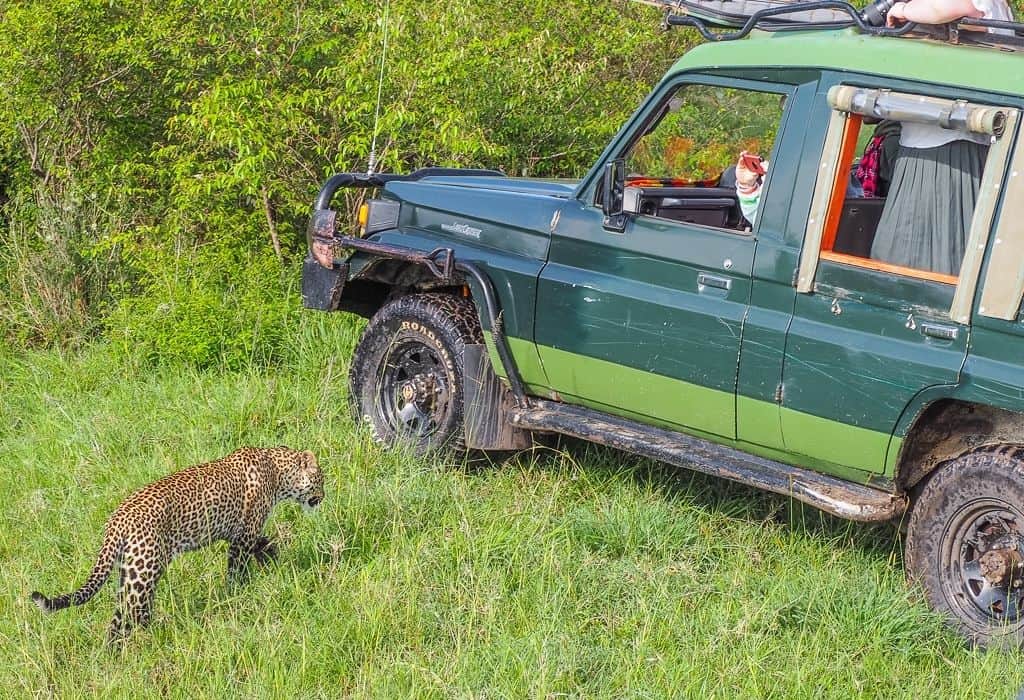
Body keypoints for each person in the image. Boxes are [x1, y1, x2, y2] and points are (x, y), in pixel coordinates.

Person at [870, 0, 1014, 275]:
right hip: (934, 146)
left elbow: (956, 6)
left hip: (946, 151)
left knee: (926, 253)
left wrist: (902, 10)